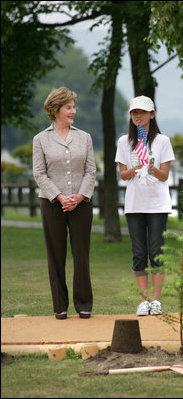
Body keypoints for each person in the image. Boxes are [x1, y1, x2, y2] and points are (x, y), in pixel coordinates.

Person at [33, 87, 96, 320]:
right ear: (56, 109)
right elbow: (39, 174)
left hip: (82, 203)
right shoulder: (40, 139)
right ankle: (60, 305)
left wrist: (79, 197)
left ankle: (83, 303)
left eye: (73, 106)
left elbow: (91, 172)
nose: (73, 111)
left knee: (81, 254)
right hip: (51, 203)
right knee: (56, 255)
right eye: (68, 107)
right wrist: (60, 197)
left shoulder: (85, 137)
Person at [115, 95, 175, 316]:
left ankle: (156, 300)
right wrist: (136, 167)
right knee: (139, 253)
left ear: (152, 114)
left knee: (156, 252)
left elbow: (165, 175)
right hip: (134, 205)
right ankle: (143, 301)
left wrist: (150, 167)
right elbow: (123, 175)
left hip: (157, 205)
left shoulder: (162, 141)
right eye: (134, 113)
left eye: (142, 112)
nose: (137, 116)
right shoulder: (124, 142)